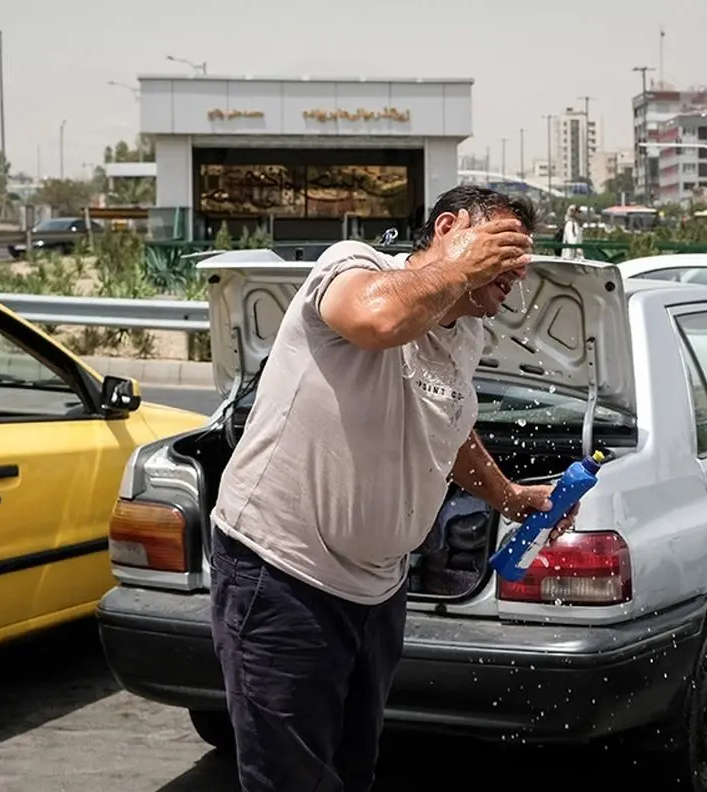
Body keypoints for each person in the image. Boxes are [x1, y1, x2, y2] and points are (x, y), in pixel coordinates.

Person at [208, 185, 577, 792]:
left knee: (354, 774)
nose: (518, 268)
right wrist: (461, 268)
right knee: (291, 782)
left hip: (377, 593)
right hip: (281, 577)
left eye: (524, 256)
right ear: (448, 227)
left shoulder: (466, 335)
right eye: (503, 246)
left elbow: (450, 429)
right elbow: (377, 320)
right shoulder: (353, 266)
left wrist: (509, 495)